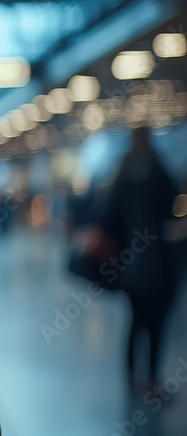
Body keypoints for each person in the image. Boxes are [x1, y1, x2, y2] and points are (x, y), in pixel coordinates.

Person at [102, 127, 180, 394]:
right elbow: (172, 206)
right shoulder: (159, 171)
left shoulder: (123, 174)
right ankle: (150, 380)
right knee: (155, 323)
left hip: (132, 263)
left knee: (136, 323)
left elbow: (107, 215)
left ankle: (133, 379)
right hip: (159, 262)